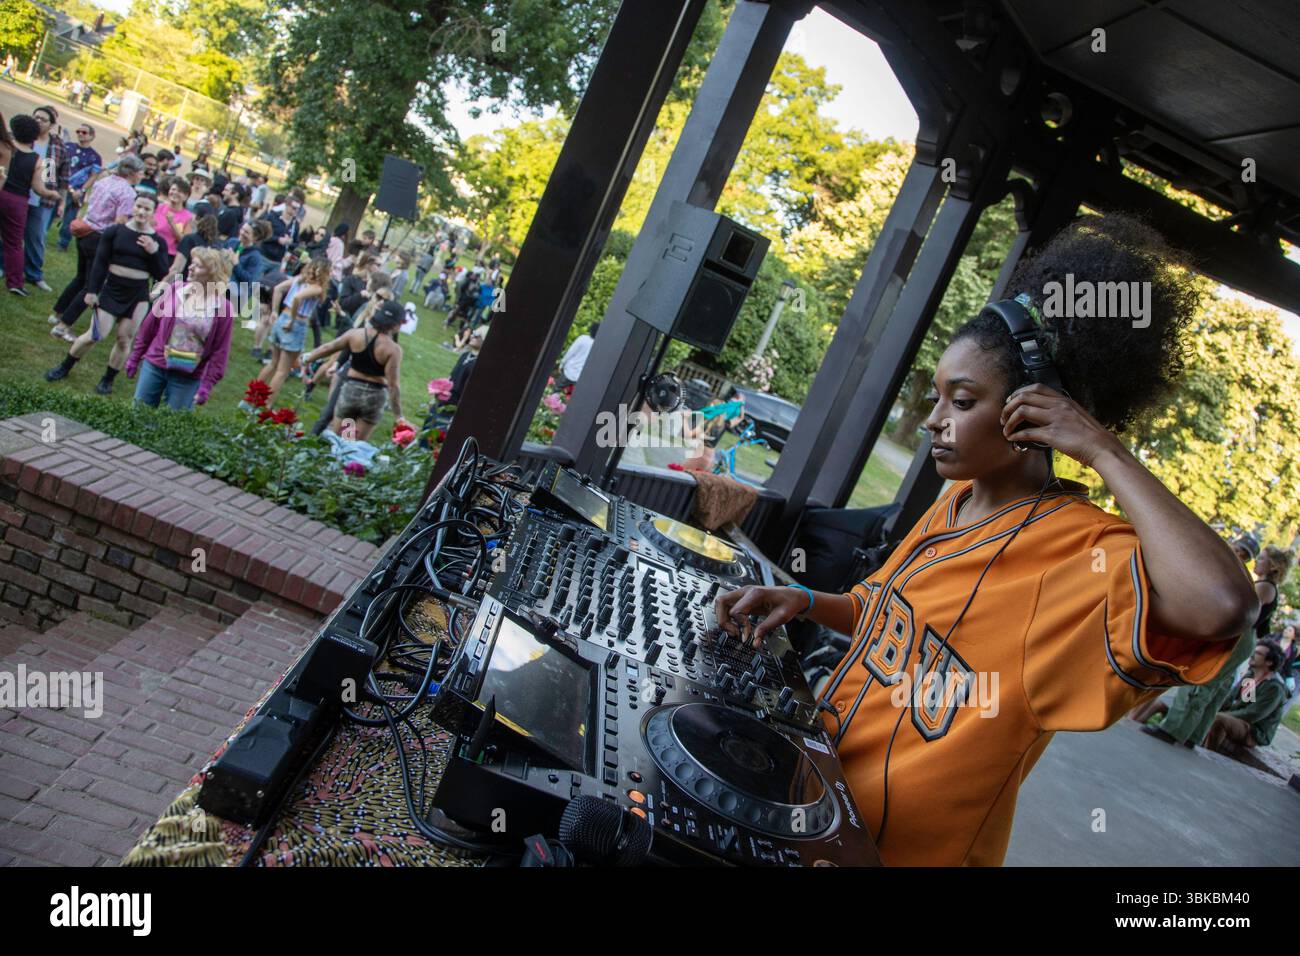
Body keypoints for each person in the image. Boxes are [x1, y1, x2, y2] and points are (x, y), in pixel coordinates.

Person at [713, 213, 1258, 866]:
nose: (933, 422)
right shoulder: (955, 503)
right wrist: (804, 599)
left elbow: (1224, 602)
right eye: (938, 398)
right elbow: (878, 611)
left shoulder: (1084, 557)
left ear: (1037, 409)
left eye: (962, 402)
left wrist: (1102, 450)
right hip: (815, 810)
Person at [1127, 534, 1267, 747]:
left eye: (1244, 554)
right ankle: (1193, 733)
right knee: (1216, 683)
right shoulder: (1239, 575)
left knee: (1202, 675)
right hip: (1238, 633)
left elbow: (1254, 708)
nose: (1238, 554)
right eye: (1238, 549)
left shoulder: (1251, 582)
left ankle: (1174, 730)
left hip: (1237, 632)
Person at [44, 192, 170, 394]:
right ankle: (64, 367)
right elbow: (100, 263)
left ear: (153, 213)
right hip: (112, 289)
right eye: (139, 206)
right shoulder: (114, 232)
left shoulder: (158, 242)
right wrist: (92, 290)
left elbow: (162, 273)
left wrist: (153, 251)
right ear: (132, 206)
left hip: (138, 295)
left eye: (147, 209)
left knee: (123, 339)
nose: (141, 211)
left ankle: (107, 380)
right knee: (96, 334)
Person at [47, 153, 144, 341]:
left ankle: (57, 313)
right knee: (92, 286)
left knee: (80, 278)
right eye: (140, 172)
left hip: (84, 232)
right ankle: (63, 326)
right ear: (132, 172)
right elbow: (120, 222)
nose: (141, 175)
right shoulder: (128, 193)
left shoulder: (104, 181)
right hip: (100, 239)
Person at [126, 247, 236, 410]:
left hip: (188, 377)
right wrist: (135, 357)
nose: (190, 267)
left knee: (172, 426)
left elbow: (221, 351)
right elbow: (150, 325)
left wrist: (206, 385)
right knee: (137, 415)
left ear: (213, 274)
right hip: (155, 364)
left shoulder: (224, 308)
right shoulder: (175, 289)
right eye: (192, 263)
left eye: (198, 266)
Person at [303, 298, 407, 442]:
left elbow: (328, 348)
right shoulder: (393, 349)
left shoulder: (355, 335)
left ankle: (334, 458)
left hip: (351, 392)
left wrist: (307, 359)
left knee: (342, 438)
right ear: (396, 325)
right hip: (374, 397)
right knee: (353, 444)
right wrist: (398, 416)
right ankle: (345, 462)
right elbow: (393, 384)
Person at [1, 115, 61, 296]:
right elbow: (39, 188)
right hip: (17, 202)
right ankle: (15, 283)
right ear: (34, 137)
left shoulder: (5, 148)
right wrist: (52, 194)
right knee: (14, 244)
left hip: (1, 191)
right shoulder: (37, 160)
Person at [256, 256, 329, 402]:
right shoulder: (316, 288)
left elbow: (278, 288)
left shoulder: (298, 279)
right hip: (295, 324)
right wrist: (292, 320)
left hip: (282, 317)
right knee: (282, 370)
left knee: (273, 363)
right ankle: (267, 406)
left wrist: (275, 310)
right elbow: (297, 298)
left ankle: (252, 398)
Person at [1205, 640, 1290, 755]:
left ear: (1269, 662)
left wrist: (1221, 714)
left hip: (1254, 731)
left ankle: (1208, 753)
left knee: (1219, 719)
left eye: (1258, 653)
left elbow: (1252, 714)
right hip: (1242, 721)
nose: (1252, 655)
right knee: (1209, 711)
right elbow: (1242, 703)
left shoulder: (1274, 687)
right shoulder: (1251, 676)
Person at [23, 105, 69, 292]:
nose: (38, 121)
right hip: (19, 193)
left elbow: (64, 178)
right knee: (9, 234)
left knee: (36, 237)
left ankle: (34, 274)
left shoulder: (58, 145)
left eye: (43, 119)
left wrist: (63, 202)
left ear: (52, 124)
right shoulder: (23, 137)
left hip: (44, 200)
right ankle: (3, 266)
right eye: (35, 117)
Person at [56, 122, 102, 252]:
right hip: (61, 186)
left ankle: (63, 243)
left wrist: (81, 191)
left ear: (92, 136)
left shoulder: (95, 157)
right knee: (50, 212)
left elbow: (93, 176)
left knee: (69, 219)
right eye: (78, 131)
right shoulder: (68, 147)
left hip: (76, 192)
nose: (80, 134)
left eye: (84, 132)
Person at [153, 176, 193, 257]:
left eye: (180, 191)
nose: (175, 193)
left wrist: (172, 223)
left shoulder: (188, 217)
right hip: (150, 247)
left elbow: (184, 241)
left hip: (168, 254)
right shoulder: (158, 207)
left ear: (186, 197)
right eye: (173, 189)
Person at [557, 321, 598, 387]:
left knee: (554, 393)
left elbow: (570, 352)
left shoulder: (582, 338)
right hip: (579, 378)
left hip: (568, 372)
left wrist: (561, 364)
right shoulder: (598, 345)